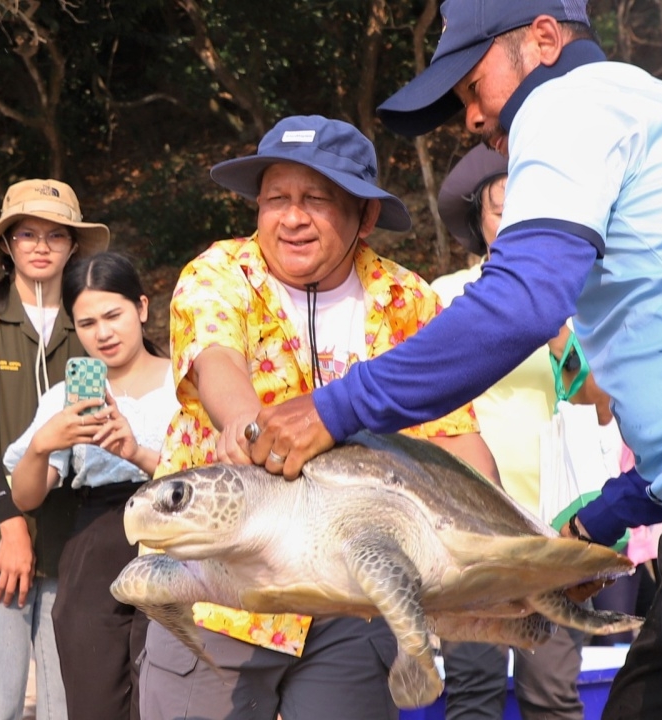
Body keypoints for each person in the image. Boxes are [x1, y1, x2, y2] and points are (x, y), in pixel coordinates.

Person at [245, 3, 662, 718]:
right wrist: (587, 532)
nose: (471, 119)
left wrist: (335, 407)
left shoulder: (569, 104)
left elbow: (520, 303)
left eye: (474, 87)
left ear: (543, 38)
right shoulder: (635, 113)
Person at [139, 114, 498, 720]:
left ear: (366, 215)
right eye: (275, 198)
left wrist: (503, 553)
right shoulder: (219, 273)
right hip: (222, 588)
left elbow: (455, 438)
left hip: (353, 599)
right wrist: (250, 428)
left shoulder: (408, 300)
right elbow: (216, 361)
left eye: (316, 199)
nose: (292, 217)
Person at [0, 178, 110, 719]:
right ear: (6, 243)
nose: (40, 245)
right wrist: (10, 526)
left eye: (55, 235)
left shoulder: (92, 323)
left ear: (74, 246)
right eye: (26, 233)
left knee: (69, 708)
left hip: (72, 545)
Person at [431, 144, 585, 719]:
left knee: (552, 692)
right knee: (473, 691)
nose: (515, 221)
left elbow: (595, 399)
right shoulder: (442, 296)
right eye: (502, 210)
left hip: (553, 523)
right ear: (479, 221)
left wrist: (556, 332)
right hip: (469, 524)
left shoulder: (569, 303)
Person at [5, 251, 174, 720]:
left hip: (178, 539)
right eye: (86, 323)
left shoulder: (187, 383)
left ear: (141, 308)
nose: (102, 333)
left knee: (167, 693)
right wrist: (42, 446)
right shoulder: (65, 398)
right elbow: (26, 496)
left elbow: (211, 473)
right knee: (94, 694)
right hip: (96, 545)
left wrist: (136, 452)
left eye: (113, 315)